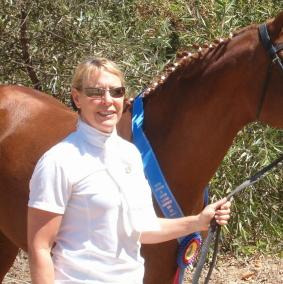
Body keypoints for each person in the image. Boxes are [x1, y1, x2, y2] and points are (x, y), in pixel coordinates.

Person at [27, 57, 231, 284]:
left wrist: (198, 221)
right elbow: (40, 247)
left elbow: (141, 227)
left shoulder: (130, 154)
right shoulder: (60, 160)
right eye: (96, 92)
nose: (107, 100)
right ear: (77, 98)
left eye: (116, 91)